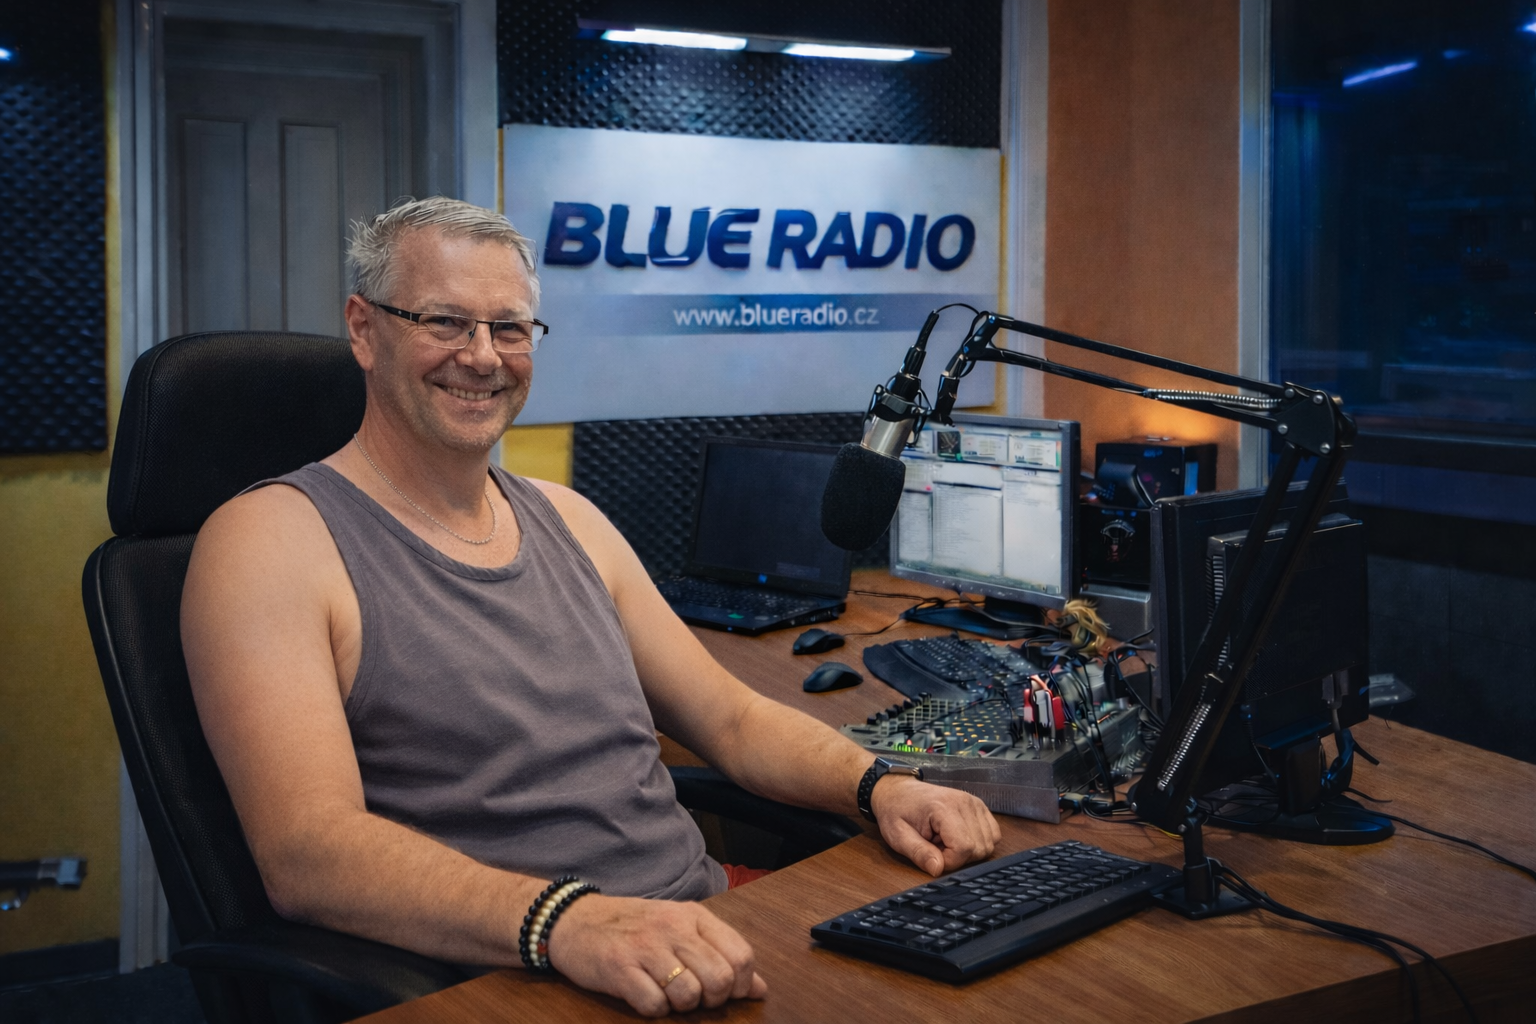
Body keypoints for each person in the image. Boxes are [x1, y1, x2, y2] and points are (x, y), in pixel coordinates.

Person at [181, 196, 1000, 1017]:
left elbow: (733, 720)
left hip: (694, 927)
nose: (482, 357)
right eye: (444, 322)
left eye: (509, 329)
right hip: (515, 970)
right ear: (364, 330)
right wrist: (567, 922)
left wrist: (880, 787)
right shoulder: (270, 541)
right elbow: (308, 853)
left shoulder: (570, 518)